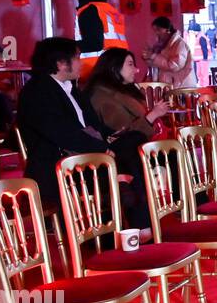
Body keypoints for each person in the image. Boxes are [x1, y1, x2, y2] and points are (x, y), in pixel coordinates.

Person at [17, 37, 152, 231]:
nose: (81, 63)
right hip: (61, 161)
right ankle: (135, 225)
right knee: (128, 159)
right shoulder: (37, 92)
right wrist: (102, 148)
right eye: (77, 58)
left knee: (136, 142)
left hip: (87, 151)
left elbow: (94, 125)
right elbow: (62, 134)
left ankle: (136, 218)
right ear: (61, 64)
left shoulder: (72, 88)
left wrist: (112, 135)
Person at [84, 48, 170, 139]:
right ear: (114, 68)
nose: (137, 70)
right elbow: (124, 135)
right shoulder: (102, 96)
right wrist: (152, 115)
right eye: (130, 64)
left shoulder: (123, 88)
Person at [74, 0, 128, 79]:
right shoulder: (110, 10)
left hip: (97, 70)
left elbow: (94, 44)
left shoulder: (89, 10)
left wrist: (67, 46)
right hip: (117, 67)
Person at [145, 16, 198, 87]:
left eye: (158, 29)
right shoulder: (163, 45)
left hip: (182, 88)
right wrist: (148, 57)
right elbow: (159, 65)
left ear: (167, 29)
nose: (156, 33)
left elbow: (174, 66)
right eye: (155, 30)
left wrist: (154, 56)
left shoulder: (179, 44)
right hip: (171, 86)